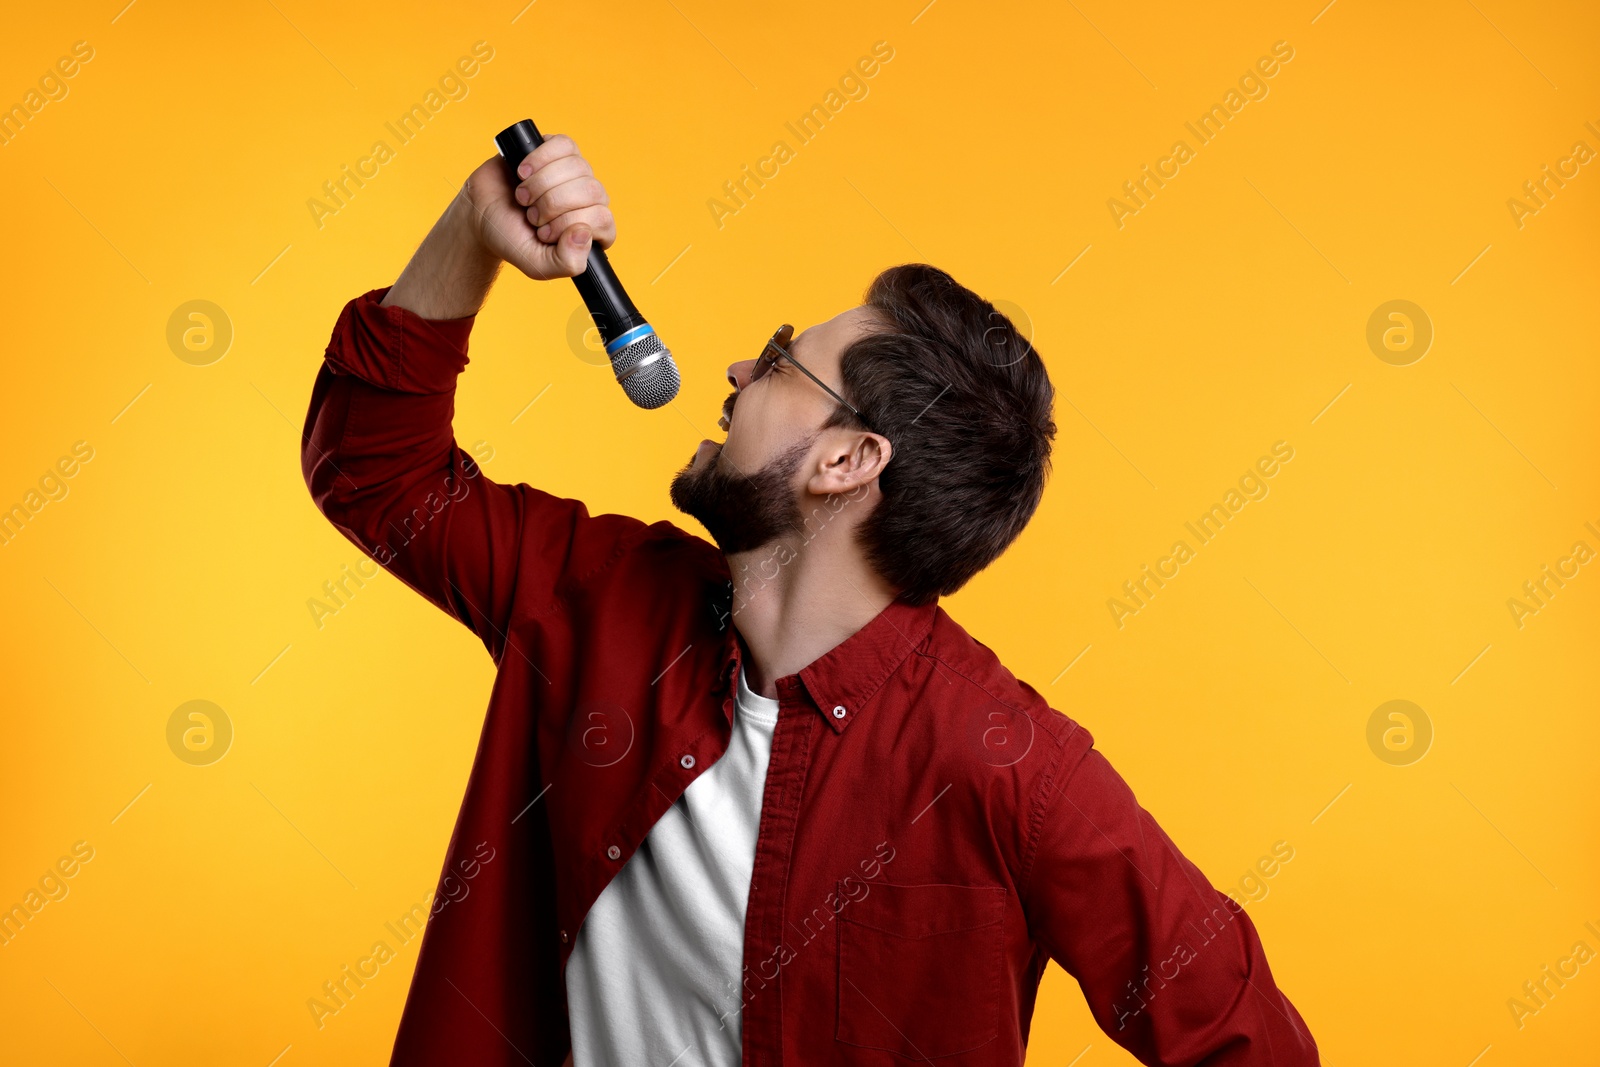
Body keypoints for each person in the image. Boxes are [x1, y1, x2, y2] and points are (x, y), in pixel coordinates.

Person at [300, 133, 1319, 1067]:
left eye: (783, 359)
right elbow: (376, 476)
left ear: (844, 459)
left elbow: (1249, 1042)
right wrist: (474, 228)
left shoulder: (1008, 764)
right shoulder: (598, 599)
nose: (743, 367)